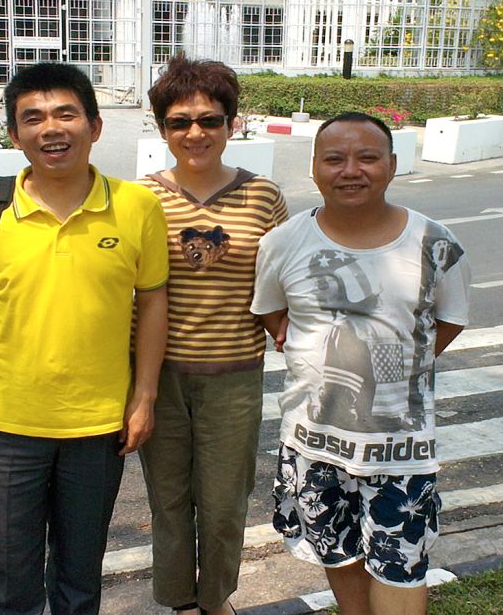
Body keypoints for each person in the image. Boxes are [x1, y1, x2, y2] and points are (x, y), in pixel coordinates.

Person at [0, 62, 170, 615]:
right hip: (6, 424)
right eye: (33, 117)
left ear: (94, 125)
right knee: (4, 572)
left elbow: (154, 301)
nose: (52, 128)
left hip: (98, 426)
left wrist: (144, 398)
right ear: (15, 135)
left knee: (80, 570)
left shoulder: (138, 207)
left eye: (67, 113)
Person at [250, 112, 470, 615]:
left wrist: (397, 369)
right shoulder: (282, 242)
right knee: (338, 552)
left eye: (367, 157)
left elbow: (449, 322)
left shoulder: (436, 244)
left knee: (401, 564)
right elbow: (272, 313)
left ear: (392, 165)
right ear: (314, 168)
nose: (351, 170)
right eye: (335, 158)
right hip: (312, 441)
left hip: (400, 449)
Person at [136, 54, 288, 615]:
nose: (195, 133)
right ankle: (178, 601)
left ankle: (215, 599)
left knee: (224, 504)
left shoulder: (262, 197)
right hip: (158, 376)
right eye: (180, 121)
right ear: (162, 129)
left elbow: (280, 283)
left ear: (231, 124)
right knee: (169, 500)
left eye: (209, 120)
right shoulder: (140, 199)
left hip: (234, 377)